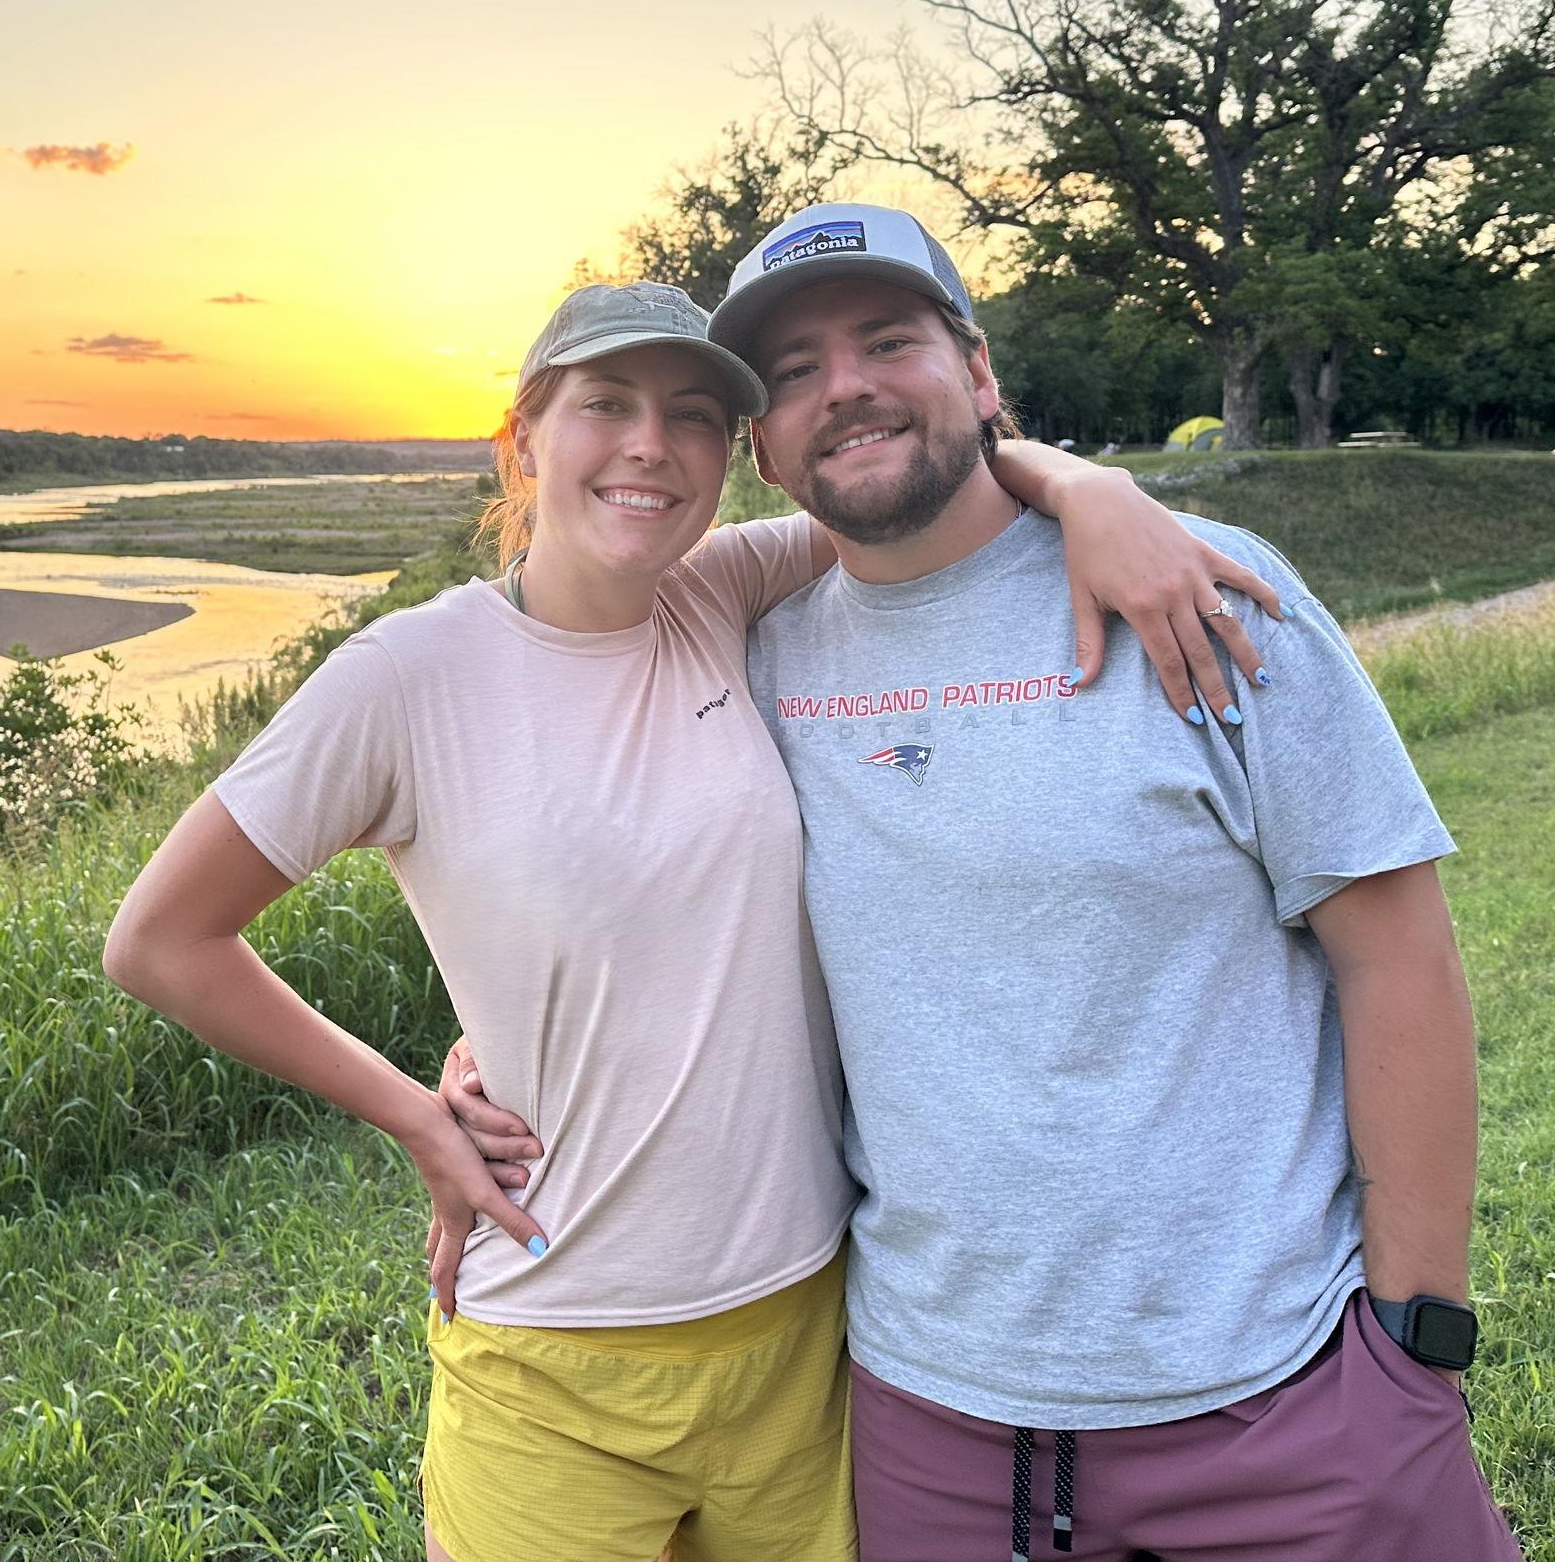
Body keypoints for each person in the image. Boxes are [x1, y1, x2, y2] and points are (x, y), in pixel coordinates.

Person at [102, 276, 1278, 1562]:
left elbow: (915, 482)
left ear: (733, 454)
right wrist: (413, 1113)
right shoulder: (404, 675)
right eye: (605, 404)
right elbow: (162, 938)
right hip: (552, 1349)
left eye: (694, 416)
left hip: (800, 1337)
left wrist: (1090, 489)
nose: (650, 445)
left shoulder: (718, 592)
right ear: (523, 434)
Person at [454, 202, 1522, 1560]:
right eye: (793, 370)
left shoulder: (1202, 594)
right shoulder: (750, 658)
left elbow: (1395, 953)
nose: (845, 386)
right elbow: (639, 906)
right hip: (932, 1424)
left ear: (976, 371)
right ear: (761, 445)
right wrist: (490, 1059)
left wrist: (1412, 1336)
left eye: (886, 340)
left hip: (1290, 1393)